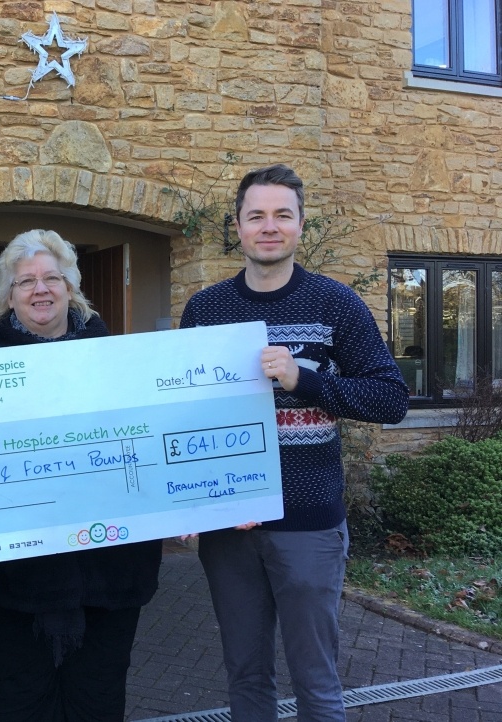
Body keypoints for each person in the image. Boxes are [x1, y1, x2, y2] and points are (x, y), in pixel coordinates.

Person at [179, 164, 409, 721]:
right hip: (231, 525)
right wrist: (191, 498)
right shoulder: (205, 311)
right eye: (256, 215)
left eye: (282, 214)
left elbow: (390, 399)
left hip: (308, 522)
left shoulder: (336, 304)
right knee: (246, 676)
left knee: (317, 681)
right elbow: (185, 417)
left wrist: (304, 379)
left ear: (301, 224)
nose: (269, 226)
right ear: (237, 226)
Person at [0, 229, 165, 722]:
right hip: (12, 576)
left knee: (99, 696)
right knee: (22, 695)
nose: (40, 289)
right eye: (26, 281)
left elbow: (156, 437)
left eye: (52, 277)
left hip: (111, 571)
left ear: (72, 288)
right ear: (8, 296)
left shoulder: (124, 361)